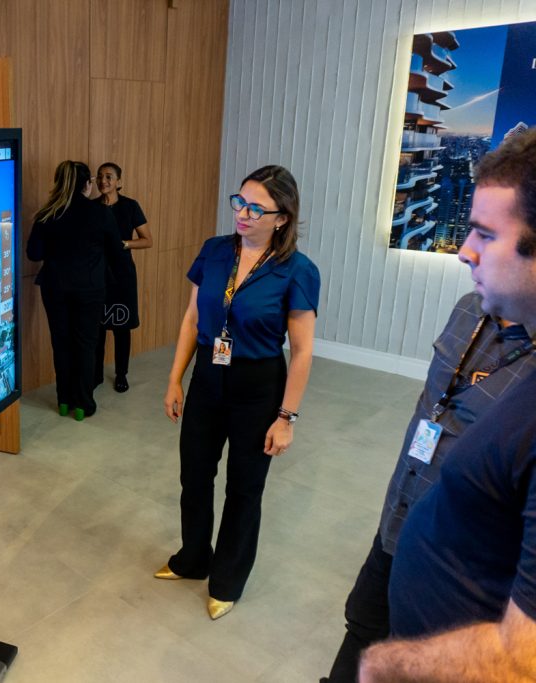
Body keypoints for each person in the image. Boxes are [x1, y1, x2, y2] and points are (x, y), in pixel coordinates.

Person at [359, 128, 536, 681]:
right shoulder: (469, 308)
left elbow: (522, 657)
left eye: (486, 233)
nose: (464, 251)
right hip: (399, 523)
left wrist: (388, 665)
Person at [321, 290, 536, 683]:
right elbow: (431, 402)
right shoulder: (470, 306)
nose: (467, 257)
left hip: (460, 565)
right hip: (400, 515)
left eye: (487, 246)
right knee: (363, 625)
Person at [157, 165, 320, 620]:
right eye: (239, 203)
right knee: (194, 475)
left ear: (282, 218)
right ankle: (193, 558)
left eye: (256, 209)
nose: (243, 214)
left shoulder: (297, 271)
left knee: (244, 488)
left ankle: (227, 580)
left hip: (258, 385)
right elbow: (192, 318)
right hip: (208, 375)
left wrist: (286, 418)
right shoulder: (214, 251)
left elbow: (303, 351)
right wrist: (175, 378)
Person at [26, 160, 122, 421]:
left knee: (61, 343)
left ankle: (64, 401)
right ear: (87, 184)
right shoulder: (100, 213)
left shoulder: (47, 214)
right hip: (90, 289)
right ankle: (83, 404)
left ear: (58, 182)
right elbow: (116, 251)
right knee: (86, 344)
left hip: (55, 288)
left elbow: (34, 253)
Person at [93, 162, 152, 393]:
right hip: (96, 274)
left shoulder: (130, 206)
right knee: (96, 328)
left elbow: (147, 240)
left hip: (122, 275)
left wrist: (124, 244)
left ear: (119, 181)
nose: (103, 181)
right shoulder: (91, 207)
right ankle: (96, 374)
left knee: (122, 327)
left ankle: (121, 374)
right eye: (100, 176)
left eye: (109, 176)